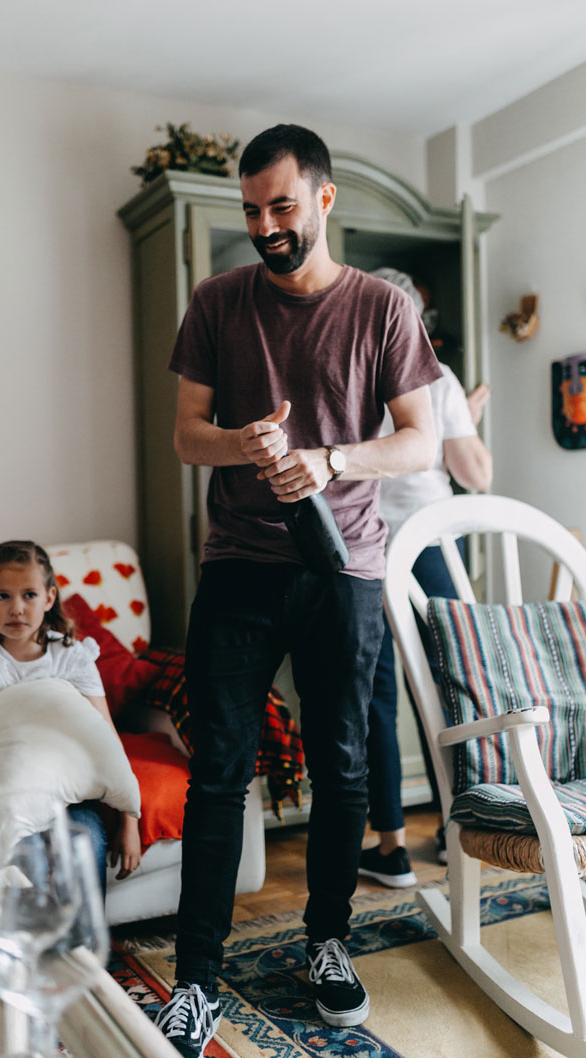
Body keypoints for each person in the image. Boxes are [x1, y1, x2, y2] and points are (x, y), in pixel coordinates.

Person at [152, 123, 442, 1057]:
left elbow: (421, 441)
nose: (265, 225)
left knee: (345, 765)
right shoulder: (215, 300)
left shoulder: (381, 311)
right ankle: (196, 979)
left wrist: (325, 459)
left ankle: (327, 941)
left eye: (281, 206)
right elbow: (186, 434)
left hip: (344, 567)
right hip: (237, 565)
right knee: (217, 774)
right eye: (251, 211)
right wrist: (248, 442)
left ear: (323, 199)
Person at [360, 352, 492, 888]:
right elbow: (476, 474)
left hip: (365, 541)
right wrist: (464, 419)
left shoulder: (352, 365)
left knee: (376, 692)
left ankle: (391, 846)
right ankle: (452, 829)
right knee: (446, 690)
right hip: (431, 542)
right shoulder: (436, 375)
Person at [0, 540, 141, 886]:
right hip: (6, 803)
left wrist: (130, 822)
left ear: (49, 598)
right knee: (25, 854)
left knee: (84, 842)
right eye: (2, 596)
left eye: (29, 595)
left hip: (72, 800)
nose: (16, 608)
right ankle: (26, 936)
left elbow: (105, 739)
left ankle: (84, 941)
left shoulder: (73, 657)